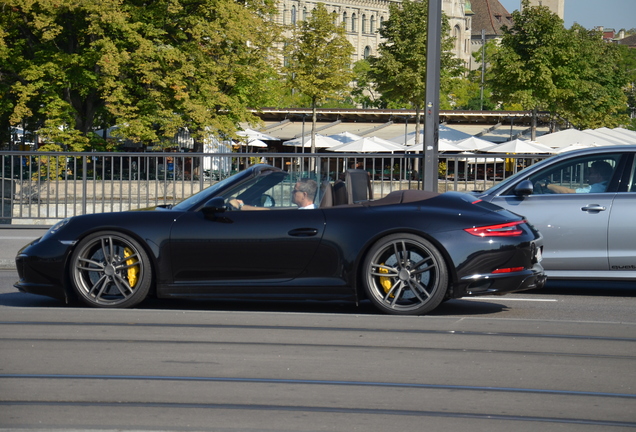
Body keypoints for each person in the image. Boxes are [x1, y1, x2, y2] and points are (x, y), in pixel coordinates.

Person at [228, 178, 317, 210]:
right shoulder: (311, 210)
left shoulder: (305, 214)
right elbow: (271, 210)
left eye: (295, 190)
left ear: (304, 195)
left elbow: (268, 211)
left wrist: (240, 206)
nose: (292, 192)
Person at [544, 161, 613, 194]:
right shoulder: (607, 186)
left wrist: (547, 185)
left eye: (590, 173)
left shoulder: (598, 187)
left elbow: (569, 193)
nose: (587, 176)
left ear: (598, 176)